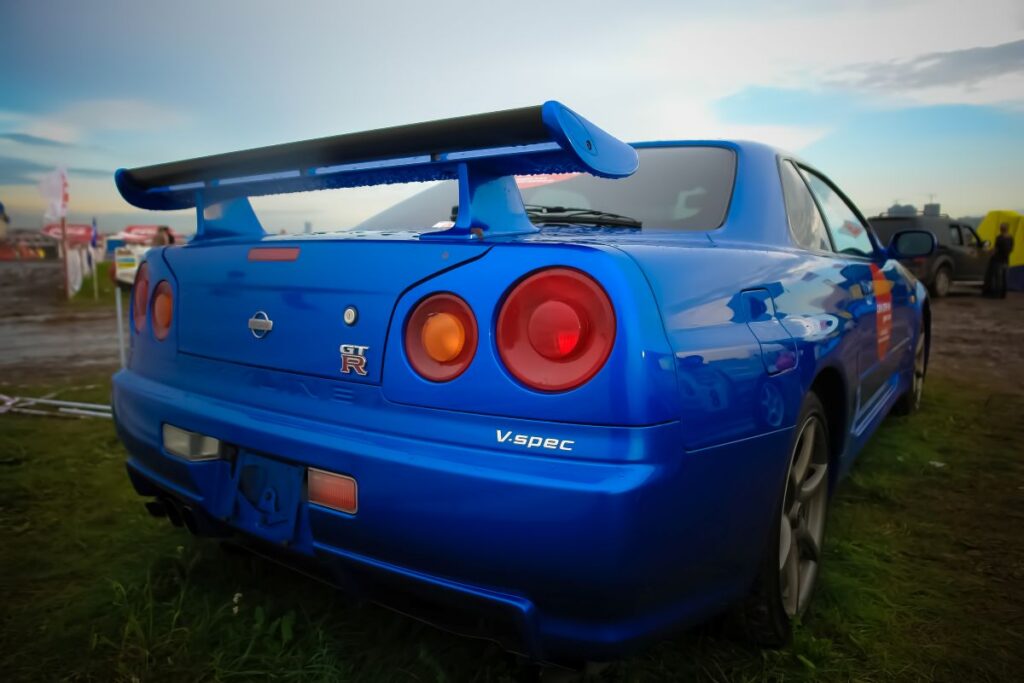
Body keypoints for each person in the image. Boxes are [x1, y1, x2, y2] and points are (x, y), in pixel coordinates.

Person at [983, 223, 1014, 299]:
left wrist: (988, 252)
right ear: (1008, 229)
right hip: (1006, 260)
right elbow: (1011, 249)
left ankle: (997, 294)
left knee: (998, 279)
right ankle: (1003, 294)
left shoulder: (999, 238)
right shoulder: (1011, 238)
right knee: (1004, 278)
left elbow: (996, 249)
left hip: (998, 260)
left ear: (1001, 229)